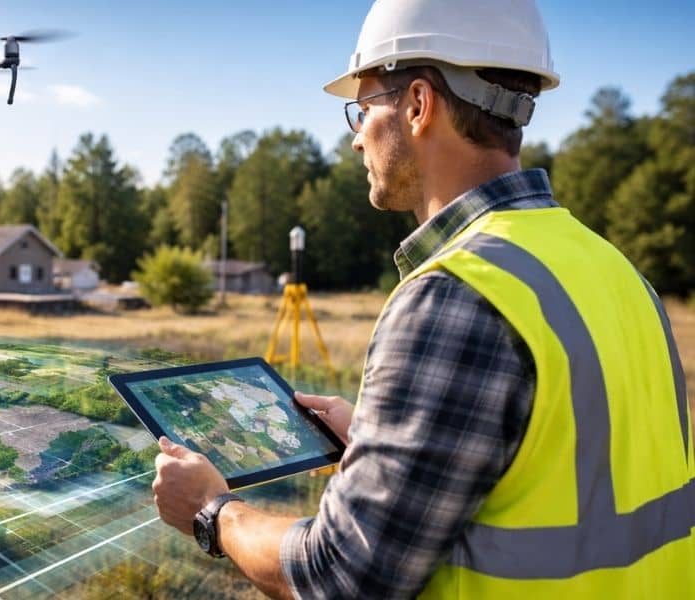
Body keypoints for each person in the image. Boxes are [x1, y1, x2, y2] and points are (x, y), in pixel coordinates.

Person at [152, 0, 695, 597]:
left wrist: (212, 511)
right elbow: (569, 473)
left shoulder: (455, 294)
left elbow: (343, 576)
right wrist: (376, 442)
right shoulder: (616, 272)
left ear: (417, 105)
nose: (357, 142)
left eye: (362, 110)